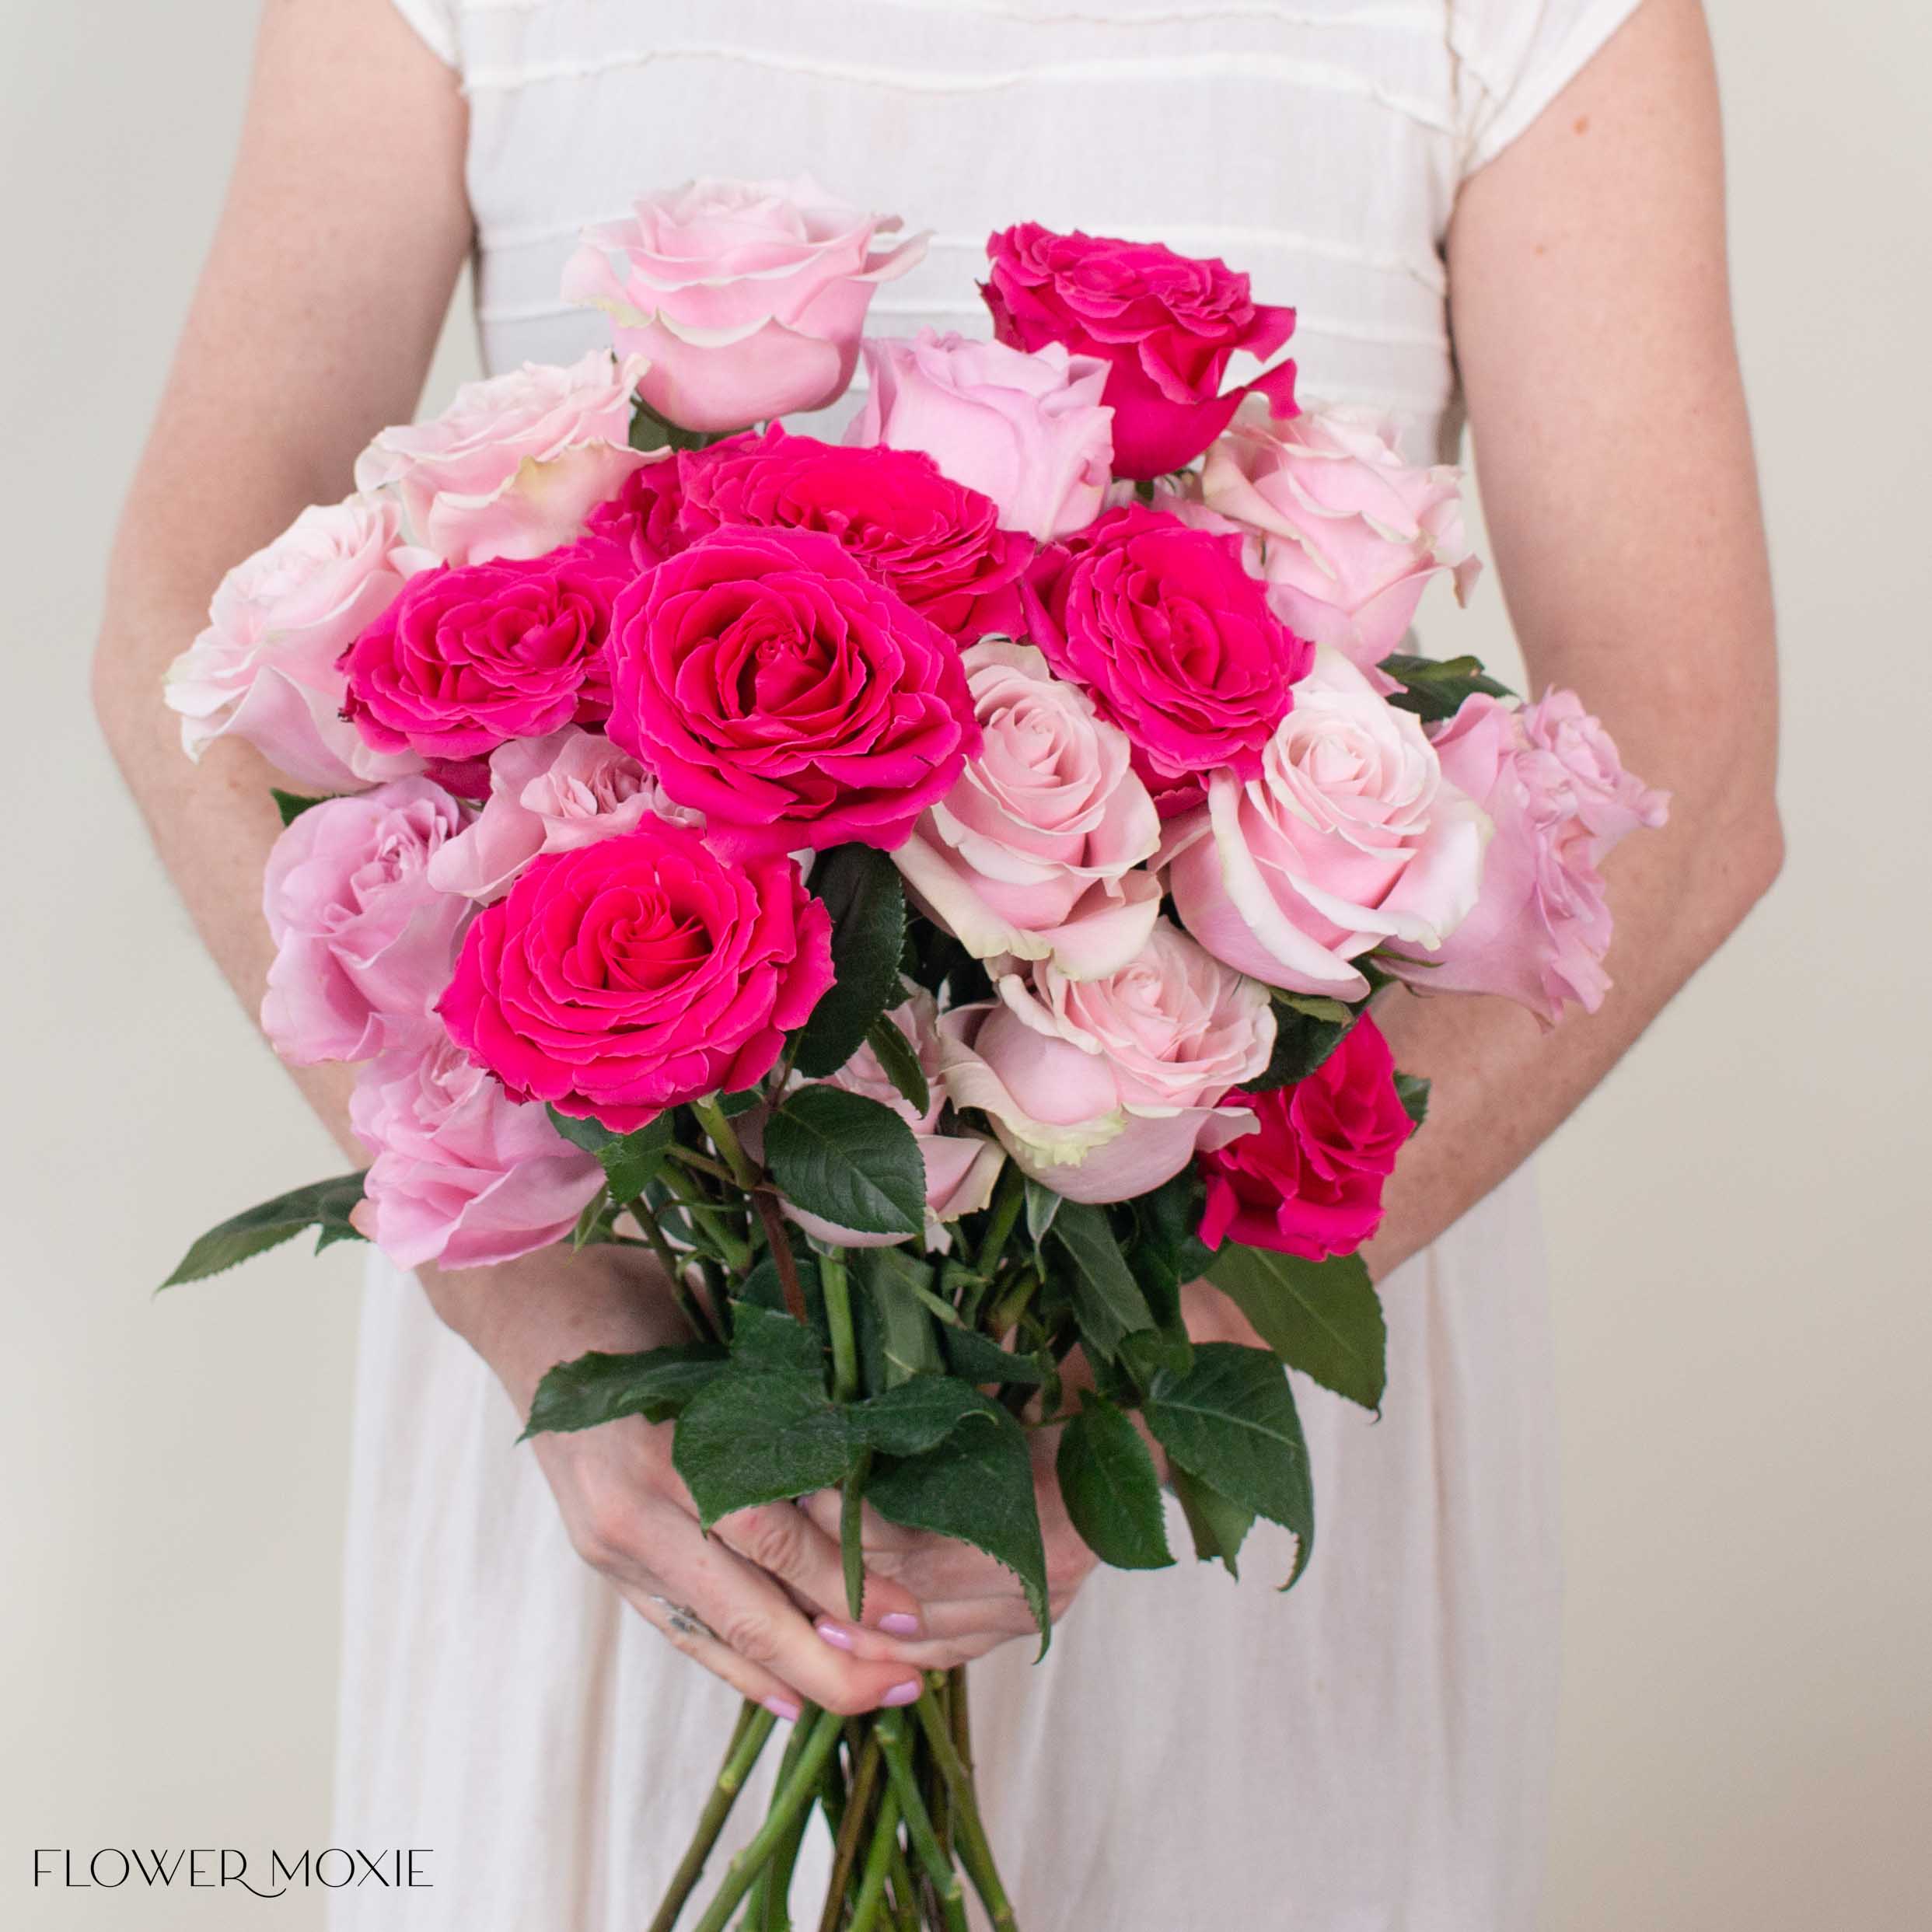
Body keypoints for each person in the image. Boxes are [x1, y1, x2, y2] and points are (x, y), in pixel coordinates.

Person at [92, 1, 1782, 1925]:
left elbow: (1688, 769)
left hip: (1201, 1357)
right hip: (649, 1361)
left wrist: (1166, 1379)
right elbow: (183, 640)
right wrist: (544, 1300)